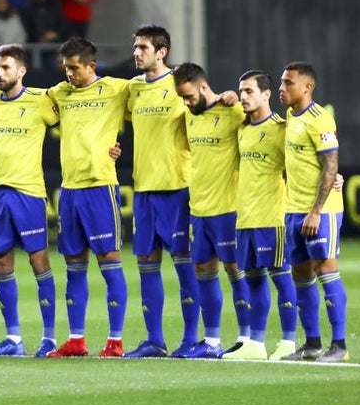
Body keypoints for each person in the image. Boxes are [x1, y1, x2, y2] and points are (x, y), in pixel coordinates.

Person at [44, 36, 130, 358]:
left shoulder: (116, 89)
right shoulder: (59, 93)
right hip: (69, 190)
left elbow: (155, 94)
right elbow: (24, 99)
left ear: (91, 66)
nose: (69, 74)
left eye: (75, 68)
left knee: (109, 261)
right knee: (74, 264)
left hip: (100, 187)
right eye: (66, 68)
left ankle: (115, 341)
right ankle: (76, 340)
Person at [123, 25, 200, 359]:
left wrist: (227, 98)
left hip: (176, 189)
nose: (137, 53)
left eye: (143, 47)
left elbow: (210, 108)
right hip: (144, 191)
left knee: (185, 265)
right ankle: (154, 340)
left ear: (161, 51)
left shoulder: (180, 84)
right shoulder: (133, 88)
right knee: (146, 262)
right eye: (135, 47)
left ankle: (191, 339)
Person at [0, 44, 61, 356]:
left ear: (22, 71)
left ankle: (49, 338)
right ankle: (13, 339)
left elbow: (72, 115)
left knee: (38, 259)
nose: (0, 73)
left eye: (6, 68)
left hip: (29, 193)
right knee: (1, 261)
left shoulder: (41, 100)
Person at [170, 63, 251, 360]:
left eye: (190, 96)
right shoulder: (189, 119)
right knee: (204, 271)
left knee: (235, 269)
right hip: (198, 209)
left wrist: (234, 97)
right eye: (182, 98)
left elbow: (264, 126)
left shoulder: (234, 112)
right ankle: (212, 340)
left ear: (204, 87)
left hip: (228, 208)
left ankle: (246, 339)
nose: (186, 103)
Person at [219, 68, 300, 361]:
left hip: (273, 218)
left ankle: (289, 342)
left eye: (249, 91)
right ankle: (255, 343)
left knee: (281, 278)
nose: (243, 97)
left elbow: (301, 165)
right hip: (245, 219)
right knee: (253, 279)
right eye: (241, 91)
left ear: (266, 94)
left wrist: (334, 180)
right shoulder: (242, 129)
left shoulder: (281, 129)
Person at [279, 62, 348, 362]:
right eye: (282, 83)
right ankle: (312, 344)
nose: (282, 89)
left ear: (307, 87)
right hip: (293, 209)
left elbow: (331, 167)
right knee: (301, 275)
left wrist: (316, 211)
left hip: (321, 212)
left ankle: (340, 346)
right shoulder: (291, 115)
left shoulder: (321, 120)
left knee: (326, 270)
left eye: (288, 83)